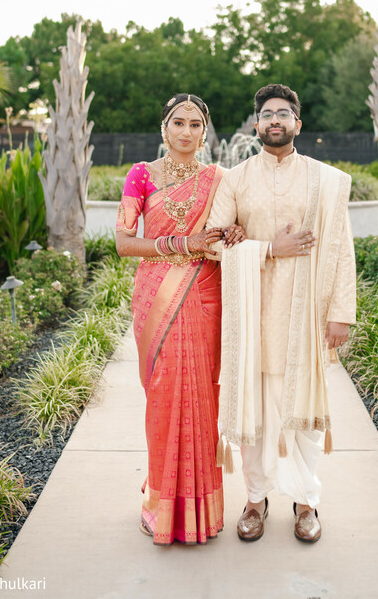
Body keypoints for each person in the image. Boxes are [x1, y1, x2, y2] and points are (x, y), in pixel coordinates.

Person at [206, 83, 356, 543]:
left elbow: (341, 247)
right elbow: (212, 242)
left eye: (284, 113)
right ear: (256, 125)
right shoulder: (234, 179)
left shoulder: (325, 180)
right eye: (268, 114)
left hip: (305, 315)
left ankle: (307, 502)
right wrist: (271, 248)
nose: (275, 120)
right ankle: (255, 499)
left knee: (302, 415)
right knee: (253, 413)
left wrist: (341, 313)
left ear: (297, 123)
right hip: (252, 318)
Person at [115, 93, 244, 545]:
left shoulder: (221, 179)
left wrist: (234, 232)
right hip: (156, 297)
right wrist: (183, 244)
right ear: (164, 128)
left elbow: (237, 229)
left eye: (195, 124)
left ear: (205, 132)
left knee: (202, 396)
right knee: (164, 396)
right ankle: (160, 500)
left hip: (204, 296)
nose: (186, 132)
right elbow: (125, 243)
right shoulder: (141, 175)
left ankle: (201, 507)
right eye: (178, 123)